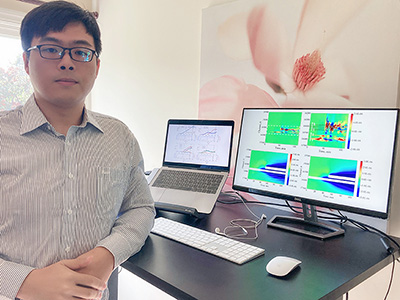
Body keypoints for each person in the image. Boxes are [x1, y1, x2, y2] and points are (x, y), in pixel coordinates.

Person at [0, 1, 155, 299]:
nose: (67, 62)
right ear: (26, 61)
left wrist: (109, 253)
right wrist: (23, 281)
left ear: (96, 66)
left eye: (81, 52)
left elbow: (141, 207)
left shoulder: (119, 136)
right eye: (51, 48)